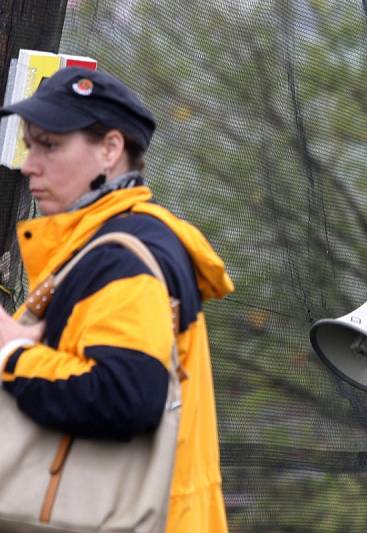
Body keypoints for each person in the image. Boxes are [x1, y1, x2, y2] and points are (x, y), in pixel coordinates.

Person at [0, 67, 233, 532]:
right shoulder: (105, 244)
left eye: (49, 145)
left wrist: (12, 352)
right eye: (30, 145)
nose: (29, 165)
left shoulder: (124, 257)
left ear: (110, 150)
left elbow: (126, 395)